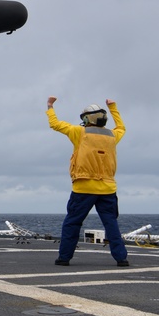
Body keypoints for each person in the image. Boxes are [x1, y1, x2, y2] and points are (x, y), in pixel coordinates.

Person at [47, 97, 129, 267]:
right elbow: (121, 127)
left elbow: (55, 125)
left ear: (86, 119)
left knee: (73, 222)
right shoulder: (113, 135)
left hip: (83, 187)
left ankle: (64, 258)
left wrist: (50, 107)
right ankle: (121, 258)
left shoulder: (79, 132)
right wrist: (113, 106)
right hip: (108, 188)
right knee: (111, 223)